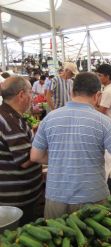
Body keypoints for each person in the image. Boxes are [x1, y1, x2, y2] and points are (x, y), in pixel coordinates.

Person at [30, 72, 111, 219]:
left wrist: (63, 157)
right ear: (97, 96)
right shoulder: (103, 122)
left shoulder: (49, 118)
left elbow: (35, 156)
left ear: (72, 92)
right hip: (91, 197)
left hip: (56, 196)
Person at [0, 76, 43, 225]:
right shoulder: (8, 121)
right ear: (21, 95)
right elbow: (25, 160)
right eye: (30, 93)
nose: (32, 97)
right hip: (17, 201)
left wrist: (33, 133)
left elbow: (15, 144)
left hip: (18, 196)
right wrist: (47, 146)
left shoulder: (10, 116)